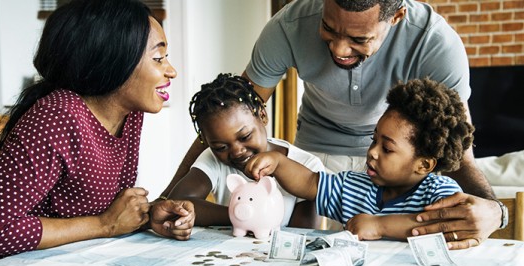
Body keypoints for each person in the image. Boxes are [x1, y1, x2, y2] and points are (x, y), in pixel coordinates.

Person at [167, 0, 505, 249]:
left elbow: (459, 152)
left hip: (397, 154)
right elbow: (231, 113)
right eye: (329, 29)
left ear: (397, 16)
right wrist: (167, 199)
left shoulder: (435, 44)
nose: (340, 49)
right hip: (316, 151)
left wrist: (495, 211)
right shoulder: (288, 26)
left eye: (359, 38)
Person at [0, 0, 195, 264]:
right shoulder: (57, 116)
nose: (171, 71)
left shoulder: (129, 114)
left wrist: (148, 215)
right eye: (158, 58)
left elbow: (108, 213)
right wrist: (104, 225)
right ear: (113, 60)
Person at [246, 78, 474, 242]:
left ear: (423, 165)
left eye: (387, 148)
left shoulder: (440, 193)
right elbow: (309, 183)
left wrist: (379, 226)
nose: (373, 152)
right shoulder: (354, 186)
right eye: (374, 140)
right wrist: (278, 163)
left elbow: (439, 227)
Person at [159, 73, 324, 229]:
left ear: (262, 115)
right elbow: (177, 202)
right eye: (221, 147)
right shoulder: (214, 158)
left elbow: (303, 234)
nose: (237, 151)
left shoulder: (307, 165)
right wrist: (240, 216)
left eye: (245, 136)